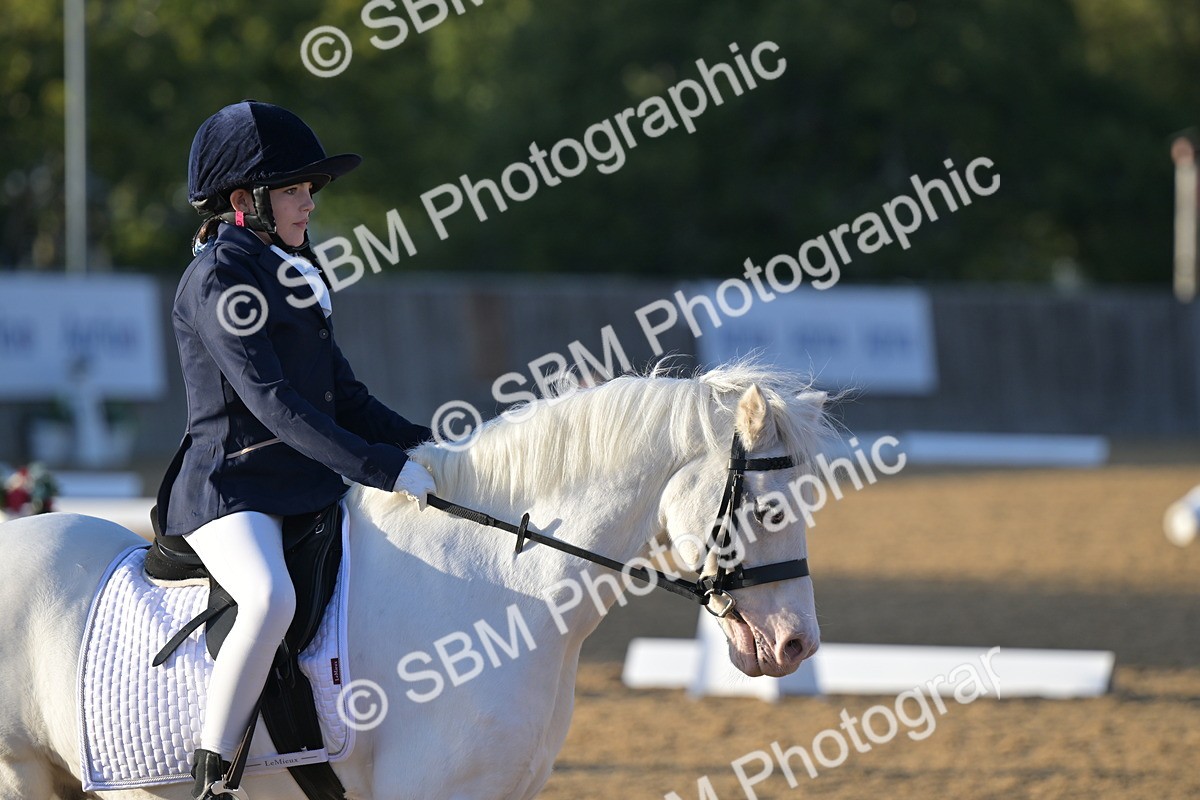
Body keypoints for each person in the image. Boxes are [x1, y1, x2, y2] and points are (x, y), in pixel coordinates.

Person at [154, 100, 435, 800]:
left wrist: (438, 447)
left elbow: (348, 400)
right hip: (232, 488)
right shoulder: (219, 276)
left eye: (310, 189)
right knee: (268, 597)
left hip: (304, 485)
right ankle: (212, 778)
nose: (309, 202)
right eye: (293, 189)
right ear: (244, 201)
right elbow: (273, 404)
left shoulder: (292, 271)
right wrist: (380, 468)